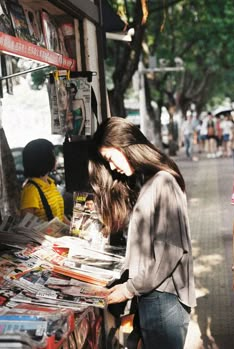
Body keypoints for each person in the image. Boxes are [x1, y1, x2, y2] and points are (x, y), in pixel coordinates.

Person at [88, 117, 196, 349]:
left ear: (124, 145)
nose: (112, 167)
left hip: (164, 298)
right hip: (153, 295)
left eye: (110, 158)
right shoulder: (147, 181)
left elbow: (170, 252)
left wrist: (128, 290)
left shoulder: (163, 182)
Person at [20, 139, 70, 224]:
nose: (55, 159)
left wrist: (71, 228)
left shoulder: (51, 183)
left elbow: (59, 215)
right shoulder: (31, 190)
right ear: (44, 159)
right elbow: (26, 225)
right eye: (52, 155)